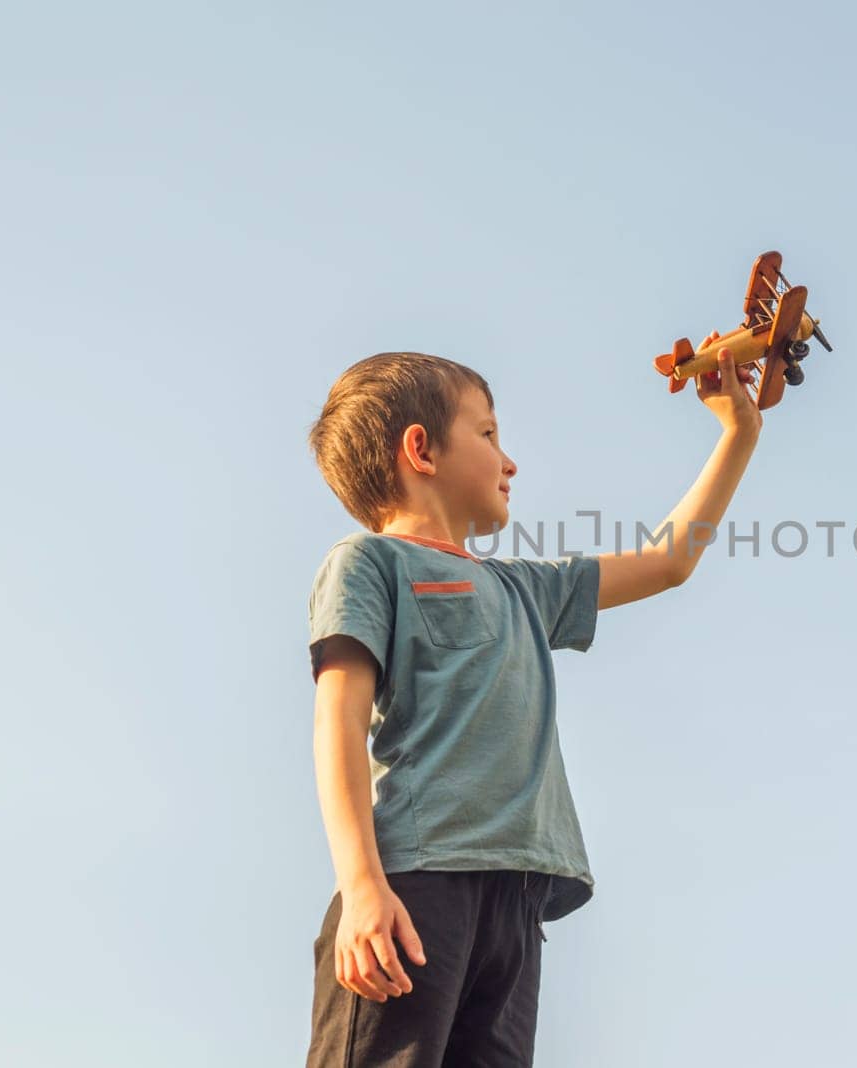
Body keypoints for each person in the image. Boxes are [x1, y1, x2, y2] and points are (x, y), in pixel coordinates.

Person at [302, 334, 759, 1066]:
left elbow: (669, 561)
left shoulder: (523, 587)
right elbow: (340, 719)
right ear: (421, 449)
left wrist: (739, 433)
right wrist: (361, 886)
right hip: (418, 889)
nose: (509, 460)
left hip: (517, 907)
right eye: (487, 434)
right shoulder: (369, 563)